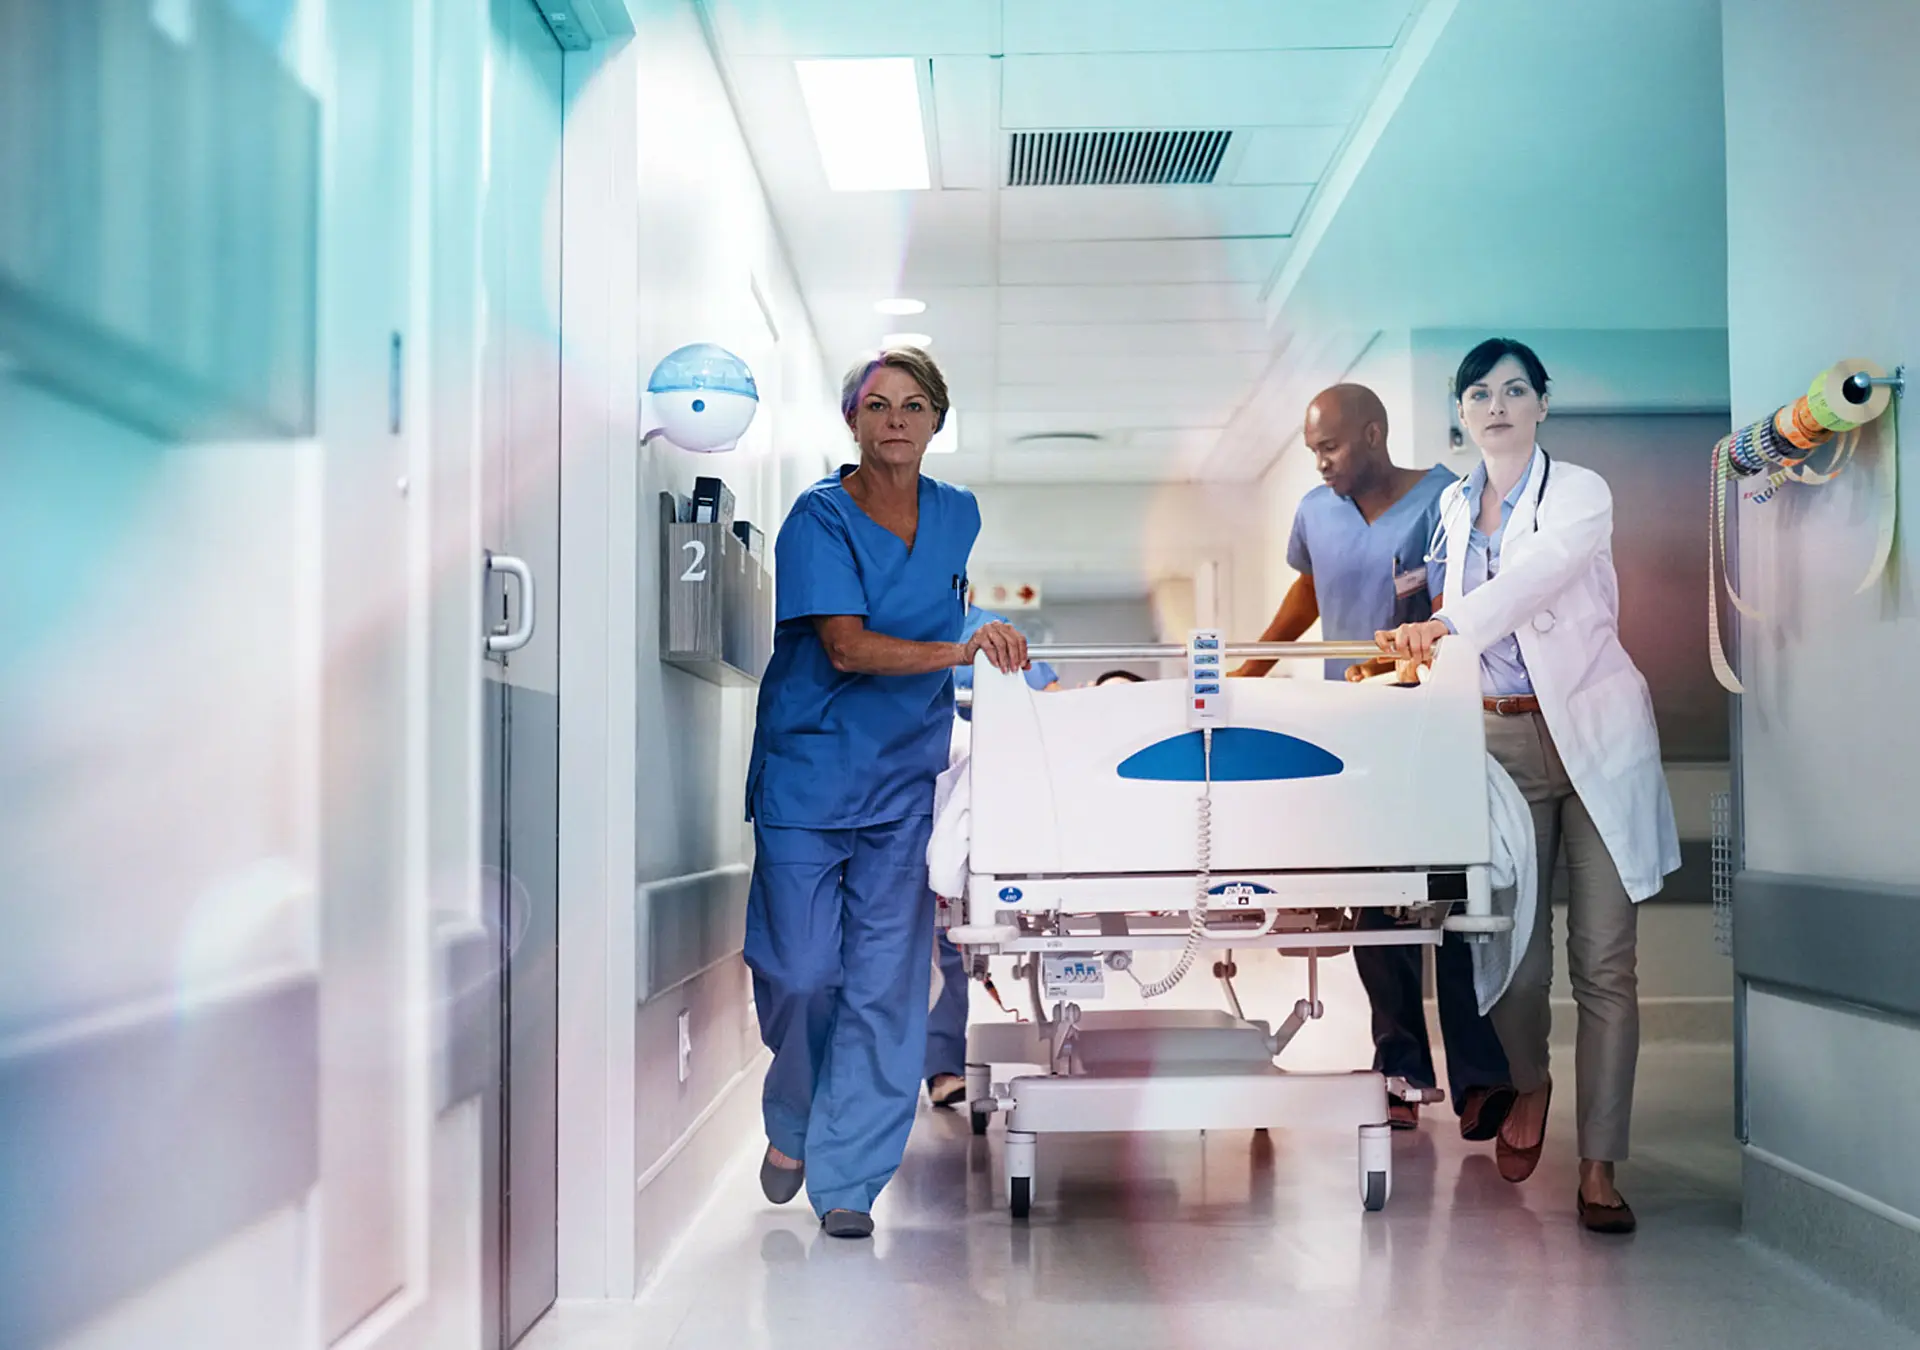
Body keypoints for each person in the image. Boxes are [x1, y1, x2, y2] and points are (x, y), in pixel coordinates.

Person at [1377, 337, 1680, 1234]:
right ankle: (1532, 1083)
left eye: (1516, 390)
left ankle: (1599, 1166)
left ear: (1542, 404)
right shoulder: (1446, 513)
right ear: (1461, 414)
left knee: (1606, 965)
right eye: (1480, 393)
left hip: (1594, 734)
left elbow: (1540, 574)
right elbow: (1435, 625)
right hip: (1497, 740)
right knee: (1506, 957)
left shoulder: (1581, 491)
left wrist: (1444, 621)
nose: (1498, 404)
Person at [744, 346, 1028, 1240]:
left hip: (906, 774)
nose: (895, 420)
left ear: (937, 421)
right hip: (810, 769)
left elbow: (945, 609)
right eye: (876, 405)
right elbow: (846, 647)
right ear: (852, 421)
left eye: (913, 405)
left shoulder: (958, 516)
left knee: (885, 982)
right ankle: (794, 1114)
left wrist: (983, 644)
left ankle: (849, 1180)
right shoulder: (816, 518)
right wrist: (965, 648)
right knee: (801, 973)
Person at [1232, 383, 1516, 1141]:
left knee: (1450, 899)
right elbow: (1310, 590)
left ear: (1373, 433)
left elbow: (1469, 600)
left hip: (1431, 723)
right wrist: (1250, 670)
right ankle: (1400, 1071)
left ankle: (1481, 1078)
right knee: (1372, 905)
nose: (1320, 464)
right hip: (1350, 733)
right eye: (1312, 452)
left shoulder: (1446, 501)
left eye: (1329, 447)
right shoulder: (1315, 512)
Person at [926, 607, 1058, 1107]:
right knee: (908, 939)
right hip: (900, 790)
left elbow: (1050, 710)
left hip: (972, 800)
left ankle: (940, 1063)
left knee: (949, 929)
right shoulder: (878, 623)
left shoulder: (989, 630)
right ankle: (927, 1063)